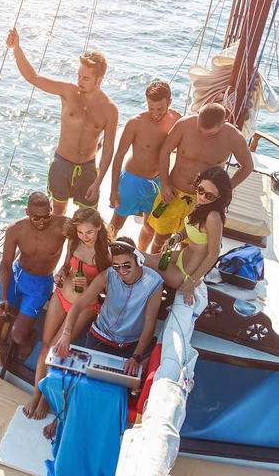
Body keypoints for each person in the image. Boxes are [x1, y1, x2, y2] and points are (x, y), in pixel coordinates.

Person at [43, 237, 163, 438]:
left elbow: (149, 324)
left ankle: (100, 431)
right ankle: (61, 419)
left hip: (129, 346)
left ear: (139, 260)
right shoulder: (108, 275)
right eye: (117, 266)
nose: (121, 271)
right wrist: (66, 334)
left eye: (127, 265)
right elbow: (79, 305)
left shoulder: (154, 283)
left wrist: (136, 356)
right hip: (100, 336)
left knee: (115, 394)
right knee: (78, 382)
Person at [6, 27, 119, 215]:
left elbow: (108, 150)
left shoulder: (110, 110)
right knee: (58, 213)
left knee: (88, 217)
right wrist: (16, 48)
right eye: (79, 76)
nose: (80, 81)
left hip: (88, 169)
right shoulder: (68, 92)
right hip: (62, 164)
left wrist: (98, 183)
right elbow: (33, 77)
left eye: (85, 78)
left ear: (99, 80)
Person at [23, 207, 112, 420]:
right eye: (80, 232)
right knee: (45, 346)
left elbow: (107, 290)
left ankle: (45, 399)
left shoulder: (104, 255)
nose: (84, 237)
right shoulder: (73, 242)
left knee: (56, 350)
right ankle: (36, 395)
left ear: (98, 228)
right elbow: (65, 266)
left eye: (89, 232)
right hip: (61, 295)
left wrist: (89, 282)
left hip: (83, 306)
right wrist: (61, 275)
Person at [0, 192, 68, 401]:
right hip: (17, 275)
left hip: (40, 283)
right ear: (27, 212)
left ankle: (28, 334)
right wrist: (4, 296)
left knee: (18, 336)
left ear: (51, 211)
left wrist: (66, 267)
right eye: (35, 218)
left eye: (46, 217)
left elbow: (82, 238)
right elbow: (5, 263)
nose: (41, 222)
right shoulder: (15, 230)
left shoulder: (63, 226)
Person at [144, 102, 254, 252]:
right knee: (160, 239)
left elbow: (247, 167)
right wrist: (164, 184)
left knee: (188, 245)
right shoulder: (184, 124)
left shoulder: (233, 137)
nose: (203, 135)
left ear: (223, 123)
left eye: (210, 133)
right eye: (200, 129)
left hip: (202, 201)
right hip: (173, 192)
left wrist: (225, 189)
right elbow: (165, 151)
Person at [108, 79, 181, 242]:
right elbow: (119, 156)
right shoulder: (135, 123)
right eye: (151, 108)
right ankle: (104, 253)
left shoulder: (176, 119)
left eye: (160, 109)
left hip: (157, 181)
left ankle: (141, 253)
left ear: (169, 102)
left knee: (150, 226)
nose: (155, 113)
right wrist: (113, 190)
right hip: (132, 180)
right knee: (116, 224)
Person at [152, 166, 232, 306]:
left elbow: (214, 254)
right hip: (181, 257)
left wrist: (192, 282)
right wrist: (177, 237)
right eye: (200, 190)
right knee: (142, 260)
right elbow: (189, 227)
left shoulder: (213, 217)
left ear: (219, 197)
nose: (202, 197)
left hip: (187, 273)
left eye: (209, 196)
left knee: (140, 260)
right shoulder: (200, 205)